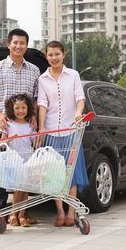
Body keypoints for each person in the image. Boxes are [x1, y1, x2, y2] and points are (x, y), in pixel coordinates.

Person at [0, 28, 40, 224]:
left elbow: (36, 98)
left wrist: (34, 118)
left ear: (26, 46)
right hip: (3, 127)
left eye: (22, 43)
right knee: (2, 170)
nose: (18, 46)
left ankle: (21, 212)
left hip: (25, 129)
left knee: (24, 170)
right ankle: (0, 209)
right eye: (15, 43)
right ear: (8, 44)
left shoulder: (34, 70)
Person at [37, 40, 89, 227]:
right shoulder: (42, 79)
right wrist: (42, 127)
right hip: (51, 132)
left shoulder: (73, 75)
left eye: (57, 54)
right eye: (50, 55)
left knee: (71, 173)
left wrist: (77, 113)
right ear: (46, 56)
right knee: (53, 175)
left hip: (70, 131)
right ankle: (59, 212)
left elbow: (80, 98)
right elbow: (42, 104)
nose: (54, 58)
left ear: (63, 54)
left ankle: (70, 212)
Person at [2, 93, 35, 227]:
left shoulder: (29, 125)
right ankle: (13, 214)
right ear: (12, 109)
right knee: (18, 188)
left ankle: (22, 215)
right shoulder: (9, 125)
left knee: (25, 188)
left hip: (28, 159)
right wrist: (10, 139)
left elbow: (35, 141)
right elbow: (2, 143)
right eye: (17, 108)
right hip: (15, 161)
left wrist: (39, 135)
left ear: (28, 109)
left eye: (23, 108)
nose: (20, 111)